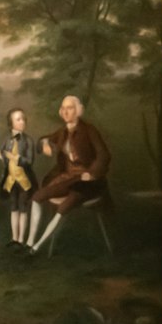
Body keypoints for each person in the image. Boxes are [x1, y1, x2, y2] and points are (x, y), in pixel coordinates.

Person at [27, 95, 111, 253]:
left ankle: (37, 247)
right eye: (63, 108)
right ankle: (30, 242)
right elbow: (45, 139)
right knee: (37, 197)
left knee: (63, 207)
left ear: (79, 111)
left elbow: (104, 155)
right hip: (67, 178)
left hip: (88, 182)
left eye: (70, 108)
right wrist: (44, 143)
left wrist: (92, 174)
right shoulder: (63, 132)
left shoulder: (89, 130)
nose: (65, 112)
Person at [0, 108, 38, 247]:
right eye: (18, 119)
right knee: (14, 208)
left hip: (24, 180)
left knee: (23, 208)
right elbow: (0, 154)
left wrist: (16, 157)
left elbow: (30, 161)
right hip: (11, 180)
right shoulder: (7, 140)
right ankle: (14, 239)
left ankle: (21, 240)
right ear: (10, 123)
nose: (22, 122)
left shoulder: (28, 141)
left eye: (23, 119)